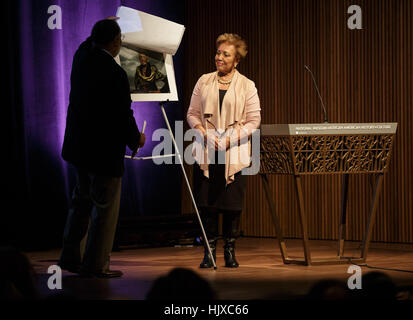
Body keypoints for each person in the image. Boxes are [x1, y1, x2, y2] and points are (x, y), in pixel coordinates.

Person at [59, 19, 145, 278]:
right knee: (105, 211)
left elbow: (88, 43)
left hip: (79, 150)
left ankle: (71, 257)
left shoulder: (81, 58)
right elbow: (122, 115)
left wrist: (101, 27)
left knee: (81, 203)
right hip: (104, 154)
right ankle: (96, 265)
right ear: (116, 42)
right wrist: (136, 139)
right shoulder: (115, 74)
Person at [186, 33, 261, 268]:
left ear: (236, 60)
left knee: (231, 205)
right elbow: (192, 114)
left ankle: (230, 251)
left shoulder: (247, 85)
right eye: (218, 52)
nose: (219, 57)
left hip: (233, 150)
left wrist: (230, 139)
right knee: (206, 204)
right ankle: (208, 253)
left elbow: (253, 120)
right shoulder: (204, 81)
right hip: (207, 149)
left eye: (225, 54)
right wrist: (204, 133)